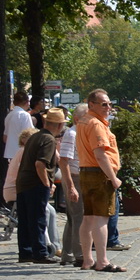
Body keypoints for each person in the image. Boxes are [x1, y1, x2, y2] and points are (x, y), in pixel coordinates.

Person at [75, 90, 123, 272]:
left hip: (86, 172)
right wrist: (113, 178)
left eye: (109, 104)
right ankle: (102, 260)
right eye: (104, 104)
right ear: (91, 105)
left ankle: (88, 259)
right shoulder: (95, 124)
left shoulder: (83, 121)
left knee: (88, 218)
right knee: (101, 218)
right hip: (99, 173)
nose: (108, 107)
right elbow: (100, 155)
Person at [16, 115, 61, 264]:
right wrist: (47, 184)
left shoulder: (35, 136)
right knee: (38, 219)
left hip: (23, 182)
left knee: (25, 220)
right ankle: (40, 253)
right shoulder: (48, 139)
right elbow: (40, 164)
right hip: (35, 183)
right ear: (59, 126)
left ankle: (26, 252)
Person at [58, 105, 85, 266]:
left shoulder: (80, 133)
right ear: (77, 119)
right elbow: (64, 161)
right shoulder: (72, 134)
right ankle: (79, 254)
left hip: (78, 177)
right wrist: (70, 186)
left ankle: (67, 253)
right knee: (79, 217)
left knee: (73, 217)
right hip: (74, 178)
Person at [0, 90, 31, 199]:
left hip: (10, 153)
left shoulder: (9, 115)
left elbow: (5, 137)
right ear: (27, 102)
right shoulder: (24, 115)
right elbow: (29, 135)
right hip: (21, 153)